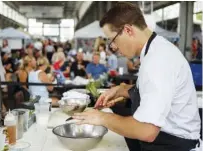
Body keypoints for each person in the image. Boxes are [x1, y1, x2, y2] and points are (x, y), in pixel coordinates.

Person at [73, 2, 201, 151]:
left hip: (174, 145)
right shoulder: (155, 49)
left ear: (128, 30)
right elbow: (156, 90)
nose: (114, 48)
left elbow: (147, 131)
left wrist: (101, 118)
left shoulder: (158, 60)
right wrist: (122, 89)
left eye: (112, 40)